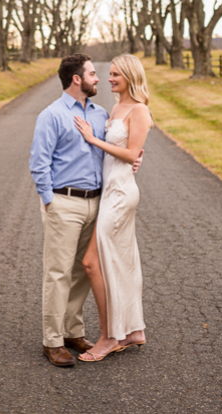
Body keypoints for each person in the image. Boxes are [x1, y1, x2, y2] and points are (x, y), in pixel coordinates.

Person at [29, 53, 143, 367]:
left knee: (82, 270)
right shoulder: (51, 115)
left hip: (98, 201)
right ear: (77, 79)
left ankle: (72, 331)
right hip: (64, 203)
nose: (99, 78)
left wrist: (135, 159)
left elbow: (115, 152)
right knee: (58, 273)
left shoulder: (99, 113)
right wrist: (50, 202)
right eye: (93, 73)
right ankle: (52, 341)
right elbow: (39, 164)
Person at [72, 53, 152, 362]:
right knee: (116, 262)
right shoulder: (117, 107)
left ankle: (108, 338)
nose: (109, 78)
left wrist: (93, 139)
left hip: (121, 194)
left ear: (131, 77)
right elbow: (124, 153)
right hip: (110, 191)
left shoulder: (139, 110)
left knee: (92, 262)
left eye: (116, 74)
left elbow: (132, 154)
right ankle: (133, 332)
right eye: (110, 74)